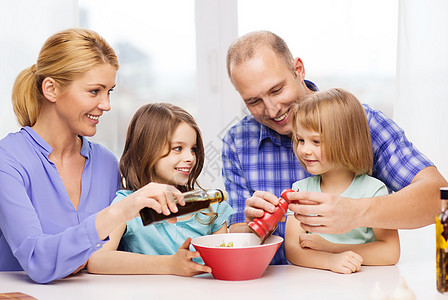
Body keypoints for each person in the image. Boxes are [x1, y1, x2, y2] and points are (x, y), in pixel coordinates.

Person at [222, 30, 447, 265]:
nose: (271, 109)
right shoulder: (237, 141)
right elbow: (239, 243)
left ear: (298, 70)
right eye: (253, 101)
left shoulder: (360, 122)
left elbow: (438, 197)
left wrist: (354, 212)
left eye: (276, 90)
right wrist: (254, 229)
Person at [0, 28, 183, 283]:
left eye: (109, 91)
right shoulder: (8, 161)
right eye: (94, 91)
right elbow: (38, 261)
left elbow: (112, 253)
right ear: (51, 89)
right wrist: (121, 210)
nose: (106, 104)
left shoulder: (106, 163)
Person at [87, 103, 233, 276]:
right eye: (177, 148)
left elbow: (227, 263)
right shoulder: (128, 207)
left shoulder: (211, 208)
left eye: (193, 149)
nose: (190, 158)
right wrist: (170, 265)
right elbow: (97, 260)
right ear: (144, 151)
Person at [285, 88, 400, 273]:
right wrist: (330, 262)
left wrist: (332, 249)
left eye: (316, 141)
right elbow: (292, 249)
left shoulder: (374, 191)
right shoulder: (300, 191)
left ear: (346, 141)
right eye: (300, 140)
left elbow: (390, 252)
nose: (304, 150)